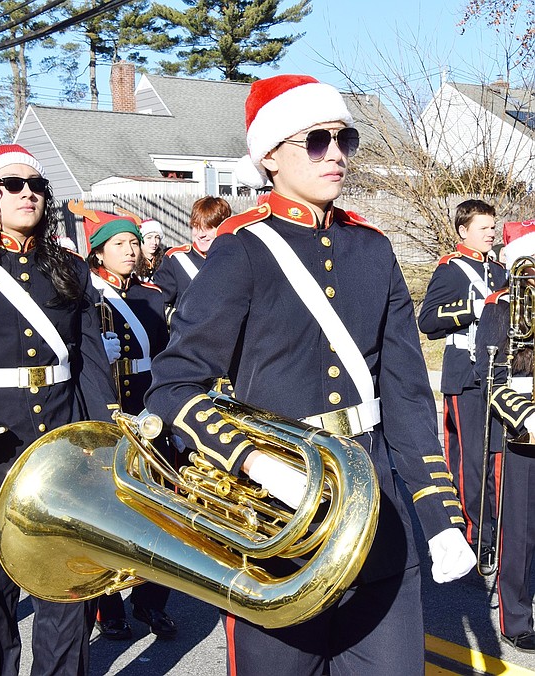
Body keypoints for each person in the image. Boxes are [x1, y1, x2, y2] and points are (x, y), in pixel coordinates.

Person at [145, 74, 476, 676]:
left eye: (344, 140)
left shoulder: (372, 249)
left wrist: (440, 515)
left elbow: (403, 394)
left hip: (377, 518)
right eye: (315, 141)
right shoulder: (244, 248)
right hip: (276, 526)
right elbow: (173, 386)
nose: (336, 155)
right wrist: (252, 459)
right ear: (269, 155)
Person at [0, 144, 118, 675]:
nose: (29, 193)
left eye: (38, 185)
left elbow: (90, 360)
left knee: (66, 591)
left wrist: (104, 444)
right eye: (13, 184)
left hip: (57, 448)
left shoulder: (69, 268)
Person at [86, 211, 176, 640]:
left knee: (157, 509)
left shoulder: (153, 295)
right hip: (108, 407)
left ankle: (151, 602)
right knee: (109, 510)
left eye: (133, 243)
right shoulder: (88, 294)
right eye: (118, 244)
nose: (129, 250)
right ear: (99, 251)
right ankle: (108, 607)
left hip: (149, 407)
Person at [419, 200, 507, 572]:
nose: (490, 232)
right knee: (470, 464)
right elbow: (428, 320)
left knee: (498, 461)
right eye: (483, 227)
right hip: (466, 377)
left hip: (499, 374)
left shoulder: (502, 271)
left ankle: (501, 536)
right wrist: (475, 306)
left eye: (492, 226)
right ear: (463, 231)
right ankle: (475, 540)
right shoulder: (452, 269)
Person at [474, 218, 535, 653]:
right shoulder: (501, 306)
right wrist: (528, 418)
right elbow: (491, 379)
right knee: (522, 529)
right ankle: (516, 617)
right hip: (528, 430)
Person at [153, 196, 231, 321]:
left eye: (209, 227)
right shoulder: (176, 260)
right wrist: (183, 323)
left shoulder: (235, 259)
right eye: (196, 226)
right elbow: (158, 304)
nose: (200, 234)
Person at [136, 218, 165, 283]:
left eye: (157, 237)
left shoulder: (165, 260)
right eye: (149, 237)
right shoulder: (133, 261)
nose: (154, 242)